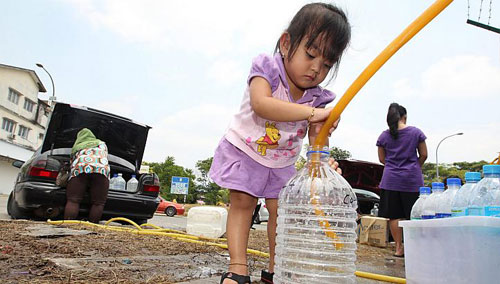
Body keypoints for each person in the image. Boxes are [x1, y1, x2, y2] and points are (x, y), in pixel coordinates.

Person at [209, 3, 351, 283]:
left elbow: (316, 141)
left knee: (282, 212)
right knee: (242, 202)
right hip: (246, 148)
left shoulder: (318, 98)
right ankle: (237, 269)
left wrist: (323, 159)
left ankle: (276, 270)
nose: (315, 69)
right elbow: (262, 104)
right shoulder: (267, 68)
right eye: (310, 55)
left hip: (282, 161)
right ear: (286, 44)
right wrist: (313, 114)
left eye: (326, 64)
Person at [376, 103, 428, 257]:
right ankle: (415, 248)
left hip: (390, 180)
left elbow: (381, 159)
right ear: (404, 116)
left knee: (394, 215)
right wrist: (413, 167)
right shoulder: (416, 132)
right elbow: (424, 154)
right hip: (412, 180)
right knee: (414, 215)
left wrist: (394, 167)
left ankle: (399, 248)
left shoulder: (384, 136)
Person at [64, 128, 110, 224]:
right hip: (100, 170)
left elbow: (71, 163)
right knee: (98, 203)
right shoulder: (102, 144)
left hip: (81, 169)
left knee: (73, 200)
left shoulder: (77, 146)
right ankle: (92, 227)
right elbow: (104, 156)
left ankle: (68, 226)